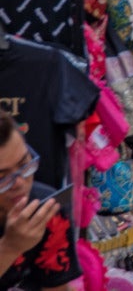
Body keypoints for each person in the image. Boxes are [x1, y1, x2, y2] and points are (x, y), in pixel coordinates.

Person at [0, 114, 77, 290]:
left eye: (24, 164)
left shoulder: (46, 208)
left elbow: (57, 287)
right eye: (2, 177)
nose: (20, 183)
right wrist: (10, 247)